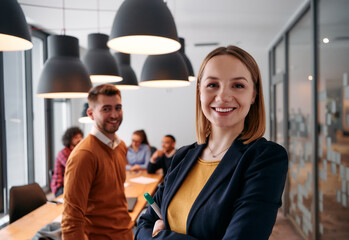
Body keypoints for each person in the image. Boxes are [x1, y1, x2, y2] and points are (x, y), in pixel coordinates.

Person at [135, 46, 288, 240]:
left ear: (254, 95)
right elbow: (143, 225)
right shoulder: (183, 156)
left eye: (238, 85)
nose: (223, 96)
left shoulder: (265, 158)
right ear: (199, 92)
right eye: (212, 85)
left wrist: (160, 236)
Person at [61, 84, 133, 240]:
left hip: (125, 234)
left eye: (118, 108)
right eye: (106, 109)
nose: (114, 115)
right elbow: (71, 221)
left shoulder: (121, 146)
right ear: (91, 114)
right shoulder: (84, 155)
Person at [50, 126, 83, 197]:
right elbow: (74, 167)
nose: (80, 139)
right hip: (60, 188)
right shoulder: (63, 153)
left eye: (80, 137)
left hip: (70, 185)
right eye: (76, 137)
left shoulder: (77, 151)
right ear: (70, 139)